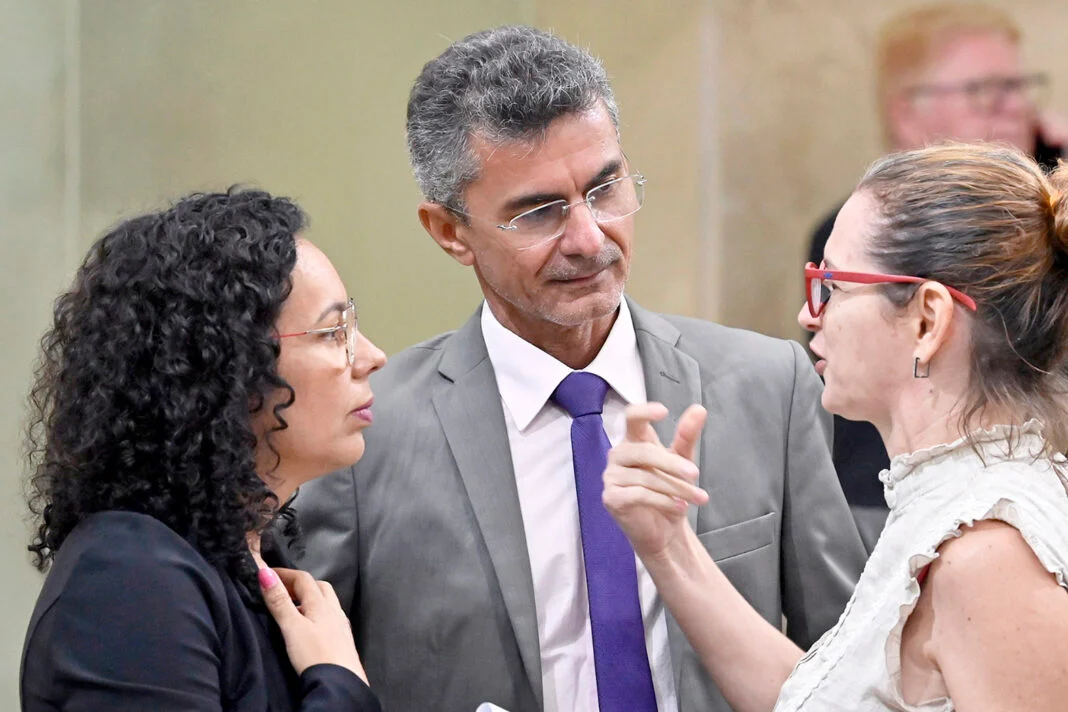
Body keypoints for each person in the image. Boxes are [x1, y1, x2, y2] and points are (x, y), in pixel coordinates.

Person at [292, 25, 866, 712]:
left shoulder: (767, 386)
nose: (590, 237)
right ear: (450, 232)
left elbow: (850, 666)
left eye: (605, 188)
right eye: (539, 212)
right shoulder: (364, 433)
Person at [606, 142, 1068, 711]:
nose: (809, 313)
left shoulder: (991, 554)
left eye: (834, 286)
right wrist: (668, 546)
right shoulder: (950, 503)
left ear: (927, 318)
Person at [20, 189, 387, 711]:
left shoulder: (246, 558)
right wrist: (339, 682)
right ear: (224, 367)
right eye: (333, 333)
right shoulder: (129, 579)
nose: (372, 356)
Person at [807, 2, 1067, 551]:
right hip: (881, 501)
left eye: (1021, 87)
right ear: (908, 114)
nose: (1014, 107)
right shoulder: (856, 236)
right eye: (985, 92)